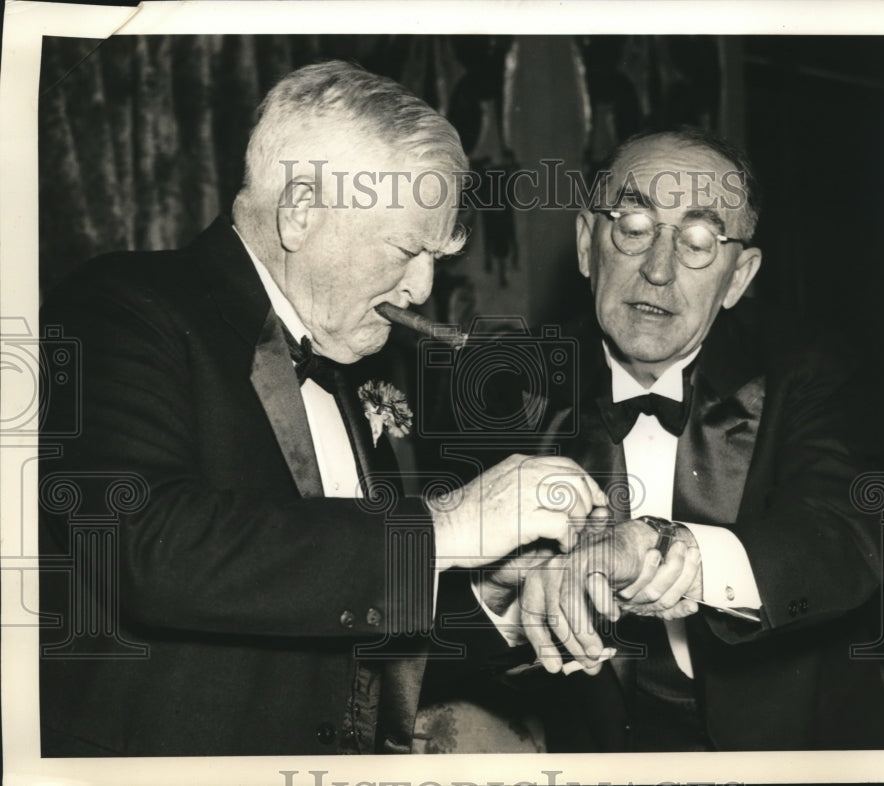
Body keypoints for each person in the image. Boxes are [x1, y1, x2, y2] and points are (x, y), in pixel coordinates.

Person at [37, 60, 605, 757]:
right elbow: (144, 547)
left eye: (437, 257)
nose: (423, 288)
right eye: (407, 249)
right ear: (301, 210)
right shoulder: (121, 307)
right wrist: (447, 524)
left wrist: (498, 601)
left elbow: (331, 613)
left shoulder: (355, 356)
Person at [478, 128, 884, 751]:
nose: (657, 270)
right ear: (587, 245)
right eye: (633, 225)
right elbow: (455, 626)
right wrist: (507, 596)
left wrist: (670, 547)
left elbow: (842, 540)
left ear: (738, 276)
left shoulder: (808, 366)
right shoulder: (508, 384)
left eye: (700, 241)